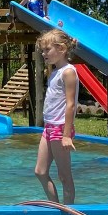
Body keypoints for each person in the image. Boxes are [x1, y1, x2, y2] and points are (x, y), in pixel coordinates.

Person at [33, 29, 79, 204]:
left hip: (60, 129)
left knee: (64, 176)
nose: (44, 54)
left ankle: (69, 212)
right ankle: (56, 209)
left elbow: (70, 104)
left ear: (62, 49)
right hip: (49, 127)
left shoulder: (68, 72)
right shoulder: (55, 72)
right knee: (40, 171)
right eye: (42, 50)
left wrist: (66, 135)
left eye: (47, 50)